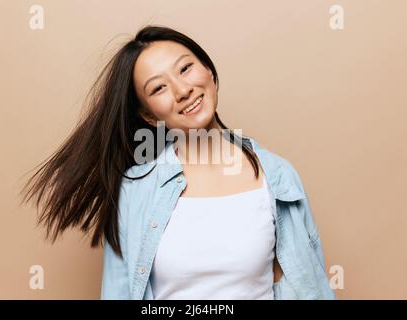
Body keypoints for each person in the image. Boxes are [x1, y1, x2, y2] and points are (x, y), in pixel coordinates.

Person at [20, 25, 336, 300]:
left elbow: (303, 287)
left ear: (209, 72)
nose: (183, 90)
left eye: (185, 69)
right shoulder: (135, 188)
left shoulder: (278, 178)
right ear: (148, 114)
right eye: (159, 88)